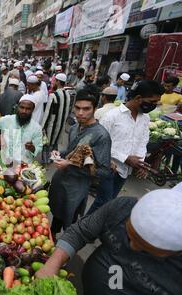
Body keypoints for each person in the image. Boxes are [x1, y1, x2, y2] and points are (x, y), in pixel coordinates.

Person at [36, 189, 182, 295]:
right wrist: (52, 264)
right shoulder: (123, 207)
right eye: (130, 236)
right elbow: (81, 231)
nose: (132, 247)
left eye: (145, 248)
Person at [87, 80, 165, 215]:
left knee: (110, 201)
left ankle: (95, 228)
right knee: (103, 201)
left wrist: (140, 162)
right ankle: (82, 230)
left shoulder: (145, 118)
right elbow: (98, 145)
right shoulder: (112, 116)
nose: (153, 106)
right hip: (108, 167)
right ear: (138, 98)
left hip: (125, 171)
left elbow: (142, 141)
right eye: (152, 102)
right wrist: (125, 158)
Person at [49, 89, 111, 234]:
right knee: (56, 215)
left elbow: (104, 171)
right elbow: (72, 151)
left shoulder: (101, 136)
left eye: (86, 109)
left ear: (95, 109)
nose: (80, 113)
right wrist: (60, 154)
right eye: (77, 108)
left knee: (69, 222)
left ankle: (66, 249)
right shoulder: (74, 128)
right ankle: (52, 237)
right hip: (60, 182)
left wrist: (70, 164)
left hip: (76, 188)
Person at [0, 95, 43, 164]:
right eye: (22, 107)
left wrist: (32, 148)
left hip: (23, 163)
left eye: (28, 109)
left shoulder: (37, 128)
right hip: (4, 161)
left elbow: (39, 148)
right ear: (17, 107)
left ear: (33, 110)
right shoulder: (8, 119)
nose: (24, 111)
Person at [41, 73, 71, 151]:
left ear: (58, 82)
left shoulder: (53, 95)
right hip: (61, 126)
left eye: (55, 81)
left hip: (52, 125)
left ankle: (46, 160)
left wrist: (42, 127)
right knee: (55, 143)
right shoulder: (67, 94)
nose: (53, 82)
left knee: (46, 143)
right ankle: (52, 157)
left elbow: (47, 113)